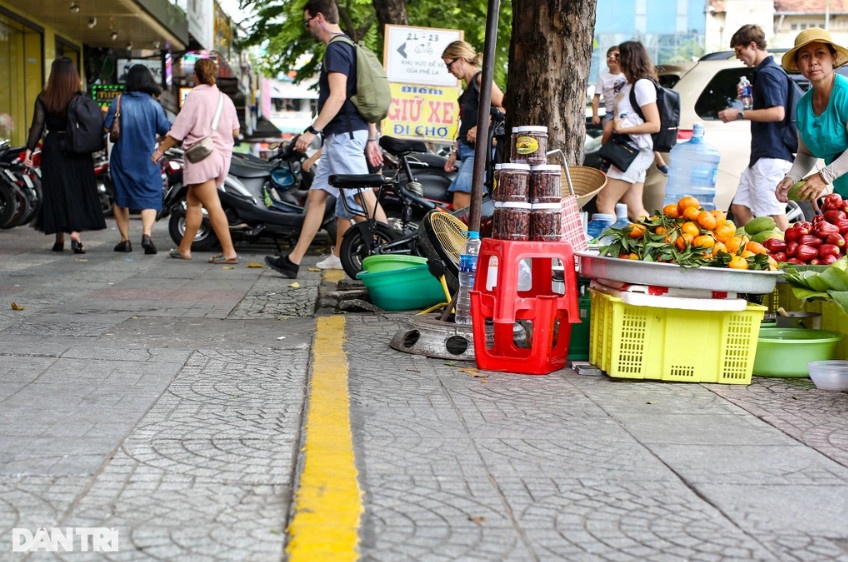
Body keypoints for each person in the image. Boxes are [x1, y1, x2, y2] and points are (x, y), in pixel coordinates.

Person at [265, 0, 385, 278]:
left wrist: (312, 130)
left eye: (307, 22)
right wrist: (371, 137)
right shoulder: (350, 46)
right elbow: (361, 97)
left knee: (361, 193)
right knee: (318, 198)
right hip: (342, 136)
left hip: (343, 134)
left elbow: (339, 95)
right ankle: (292, 261)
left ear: (319, 17)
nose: (307, 28)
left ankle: (393, 252)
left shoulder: (336, 48)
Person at [151, 58, 240, 264]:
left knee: (212, 205)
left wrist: (159, 151)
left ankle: (229, 252)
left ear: (196, 75)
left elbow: (178, 131)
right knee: (193, 202)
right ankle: (184, 248)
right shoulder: (225, 99)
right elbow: (235, 130)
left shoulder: (195, 97)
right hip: (221, 157)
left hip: (202, 157)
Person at [23, 57, 106, 253]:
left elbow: (37, 125)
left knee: (55, 190)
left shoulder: (44, 97)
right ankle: (75, 236)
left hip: (52, 147)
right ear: (73, 75)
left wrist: (29, 149)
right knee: (75, 190)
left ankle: (59, 238)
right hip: (77, 147)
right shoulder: (80, 96)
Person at [717, 25, 792, 231]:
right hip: (760, 156)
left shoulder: (769, 73)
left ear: (753, 45)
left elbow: (778, 113)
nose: (738, 56)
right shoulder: (763, 73)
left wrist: (739, 113)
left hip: (771, 156)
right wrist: (749, 102)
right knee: (740, 208)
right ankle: (762, 251)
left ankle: (789, 259)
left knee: (774, 215)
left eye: (739, 50)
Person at [776, 27, 848, 204]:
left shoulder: (845, 94)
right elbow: (806, 153)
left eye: (820, 53)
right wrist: (792, 177)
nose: (813, 61)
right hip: (843, 194)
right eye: (805, 56)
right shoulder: (803, 105)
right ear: (798, 65)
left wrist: (824, 177)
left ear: (833, 58)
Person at [104, 64, 171, 254]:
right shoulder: (154, 106)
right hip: (147, 159)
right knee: (149, 197)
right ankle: (147, 234)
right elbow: (167, 130)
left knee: (121, 198)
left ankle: (125, 240)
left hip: (122, 158)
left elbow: (107, 128)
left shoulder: (117, 102)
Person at [594, 40, 658, 220]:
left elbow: (655, 124)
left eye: (618, 55)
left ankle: (609, 246)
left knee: (604, 202)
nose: (614, 59)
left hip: (633, 151)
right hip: (629, 151)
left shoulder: (642, 85)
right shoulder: (628, 84)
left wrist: (620, 129)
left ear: (629, 58)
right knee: (635, 211)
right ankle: (660, 245)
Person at [441, 40, 505, 211]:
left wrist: (481, 127)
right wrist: (455, 152)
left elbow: (504, 106)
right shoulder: (470, 85)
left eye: (449, 65)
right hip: (467, 150)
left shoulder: (481, 78)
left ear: (461, 59)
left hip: (478, 152)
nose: (449, 71)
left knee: (461, 205)